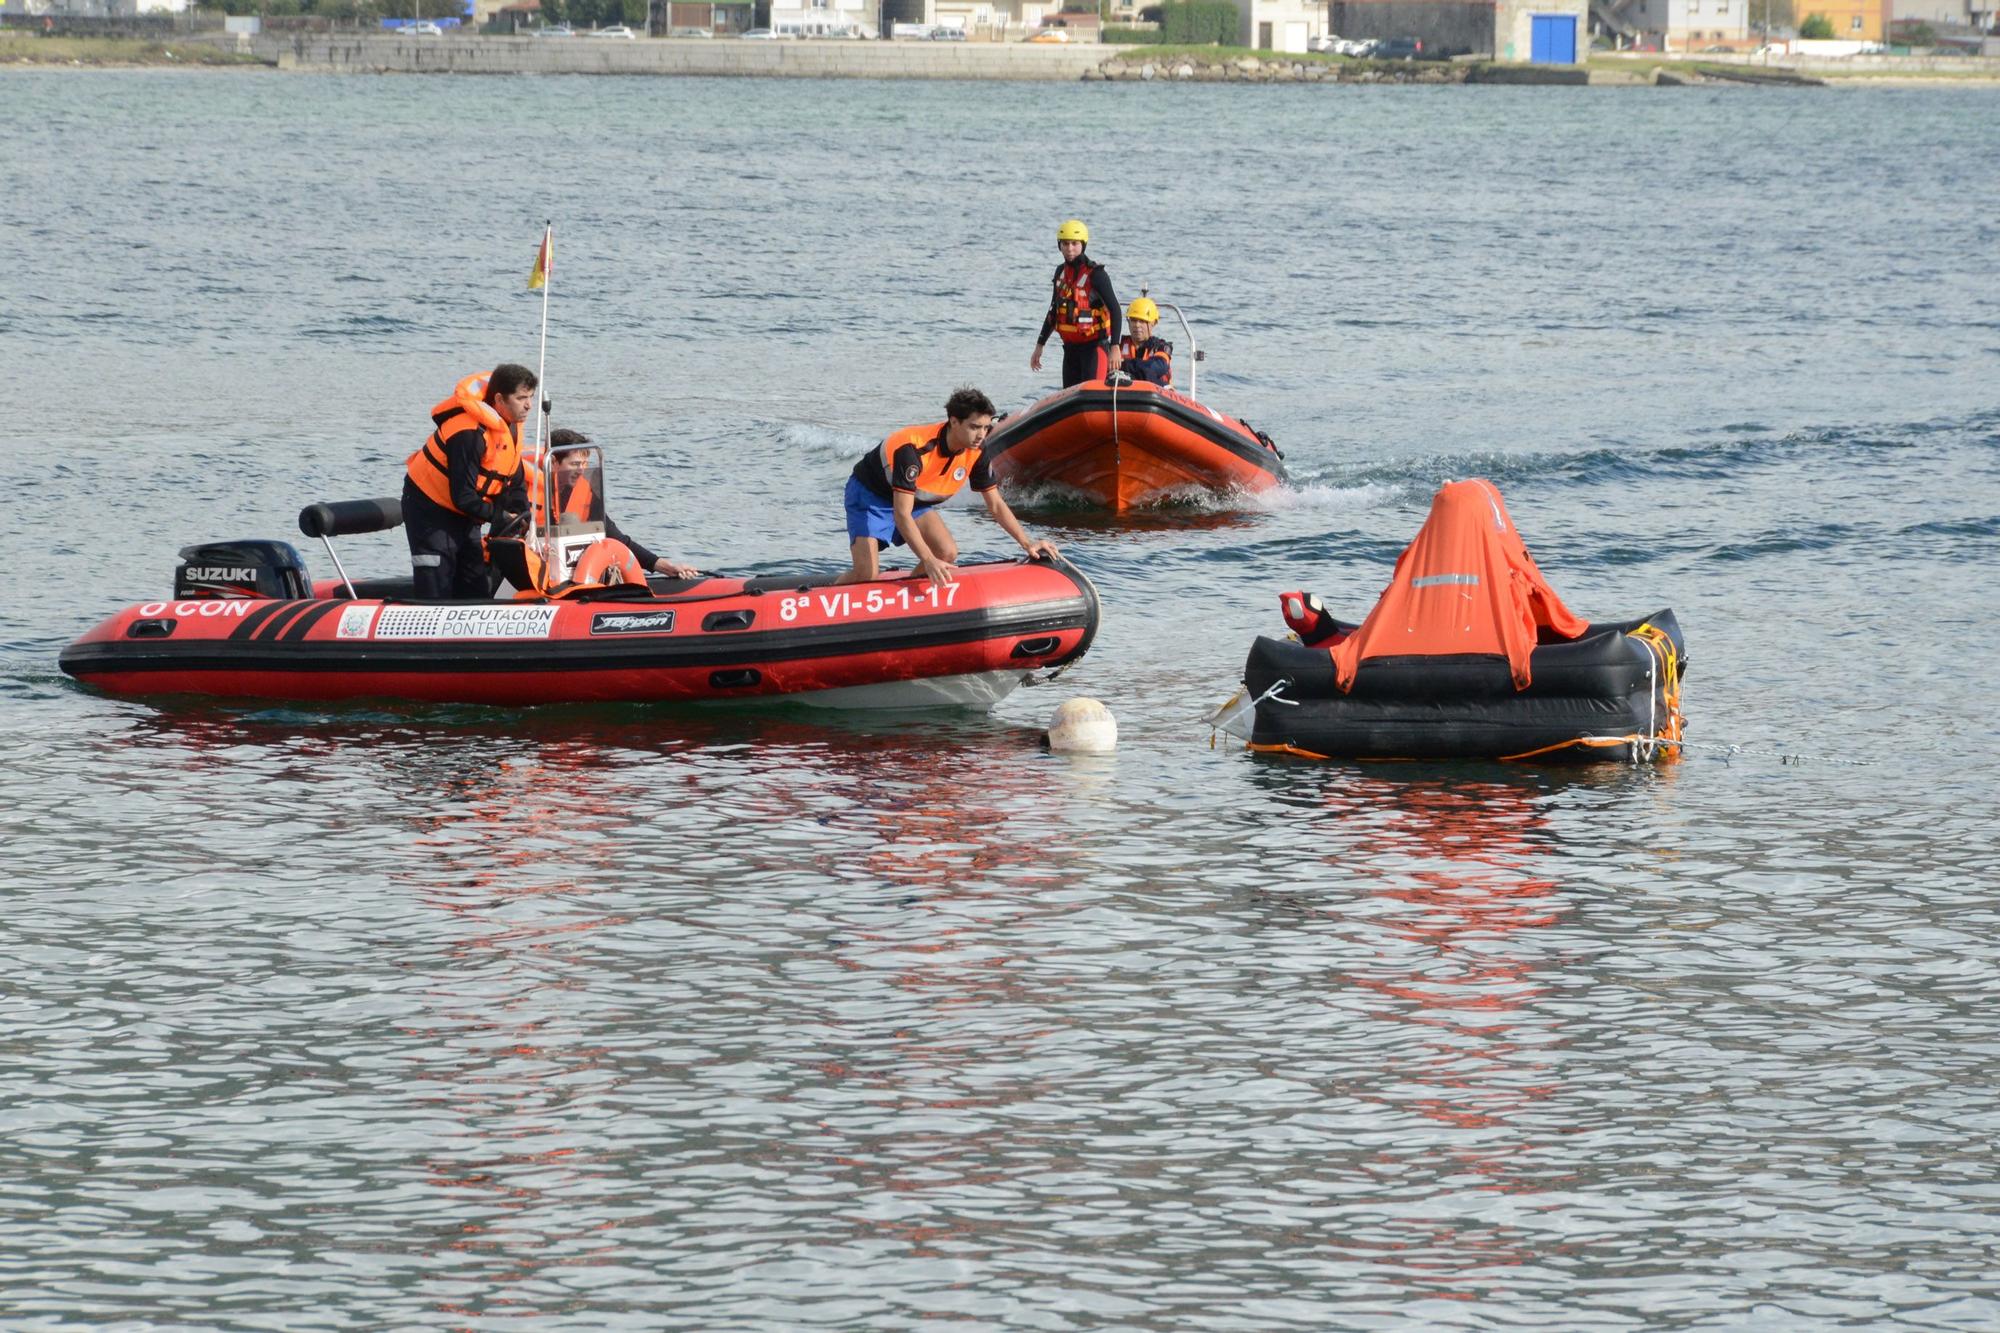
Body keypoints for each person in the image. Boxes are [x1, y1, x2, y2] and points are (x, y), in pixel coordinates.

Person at [838, 387, 1059, 587]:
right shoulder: (914, 450)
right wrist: (927, 560)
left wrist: (1027, 543)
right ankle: (823, 599)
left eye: (985, 427)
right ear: (954, 422)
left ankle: (908, 598)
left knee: (946, 552)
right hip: (870, 496)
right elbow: (901, 514)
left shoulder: (977, 452)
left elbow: (996, 504)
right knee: (866, 573)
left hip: (913, 498)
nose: (981, 435)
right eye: (974, 427)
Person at [402, 364, 536, 600]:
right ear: (499, 399)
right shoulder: (468, 433)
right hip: (430, 509)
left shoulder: (511, 429)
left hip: (467, 512)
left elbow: (514, 482)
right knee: (437, 582)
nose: (528, 405)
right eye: (521, 398)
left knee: (474, 582)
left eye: (531, 397)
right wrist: (499, 516)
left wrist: (523, 516)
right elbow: (462, 495)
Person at [542, 429, 699, 579]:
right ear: (554, 463)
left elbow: (618, 539)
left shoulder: (585, 493)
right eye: (575, 464)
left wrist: (665, 566)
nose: (582, 470)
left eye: (584, 464)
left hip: (573, 575)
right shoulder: (531, 492)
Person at [1029, 218, 1122, 388]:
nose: (1069, 248)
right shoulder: (1060, 272)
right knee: (1070, 394)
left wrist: (1115, 347)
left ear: (1082, 244)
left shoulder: (1097, 275)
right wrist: (1040, 345)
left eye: (1074, 243)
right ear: (1060, 245)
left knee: (1092, 392)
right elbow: (1053, 311)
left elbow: (1115, 310)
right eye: (1065, 244)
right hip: (1071, 350)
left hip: (1094, 348)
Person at [1116, 296, 1173, 388]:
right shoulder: (1118, 346)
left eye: (1142, 321)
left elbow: (1152, 368)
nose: (1137, 325)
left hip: (1154, 397)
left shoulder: (1161, 347)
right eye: (1133, 320)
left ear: (1153, 323)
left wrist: (1123, 364)